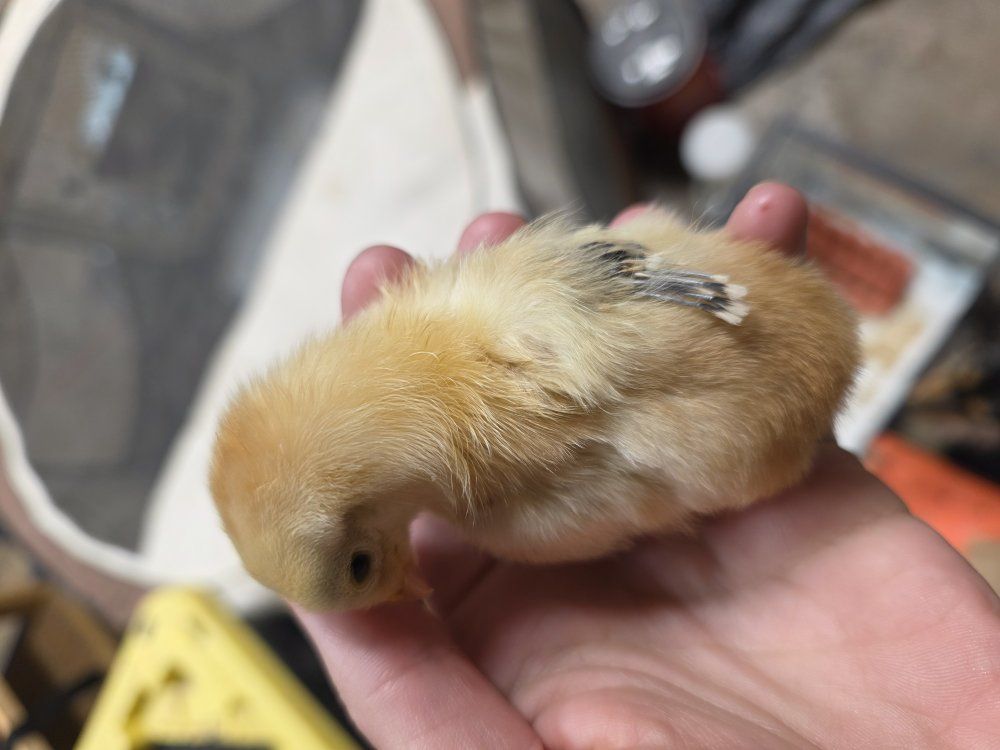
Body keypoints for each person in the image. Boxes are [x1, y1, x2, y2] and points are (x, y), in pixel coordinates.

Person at [294, 183, 1000, 749]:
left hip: (753, 429)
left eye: (367, 567)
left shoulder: (505, 512)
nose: (407, 584)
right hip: (757, 386)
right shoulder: (455, 311)